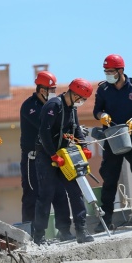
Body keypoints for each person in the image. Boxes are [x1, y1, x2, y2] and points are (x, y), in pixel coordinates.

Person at [93, 54, 132, 231]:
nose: (108, 74)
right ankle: (105, 220)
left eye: (111, 71)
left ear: (121, 71)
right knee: (109, 179)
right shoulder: (104, 90)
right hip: (113, 137)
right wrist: (101, 116)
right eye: (106, 71)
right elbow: (97, 110)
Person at [33, 78, 95, 245]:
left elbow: (76, 129)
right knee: (46, 194)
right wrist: (53, 154)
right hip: (47, 156)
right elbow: (44, 133)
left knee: (75, 191)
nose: (81, 102)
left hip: (65, 156)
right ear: (74, 94)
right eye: (81, 98)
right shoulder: (53, 106)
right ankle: (38, 236)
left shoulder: (72, 109)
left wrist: (84, 147)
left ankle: (81, 230)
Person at [20, 71, 73, 241]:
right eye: (50, 89)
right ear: (41, 89)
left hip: (52, 155)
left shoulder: (55, 105)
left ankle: (64, 230)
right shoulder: (29, 106)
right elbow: (45, 126)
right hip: (32, 157)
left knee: (59, 192)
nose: (53, 92)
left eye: (54, 89)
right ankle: (30, 233)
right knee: (33, 194)